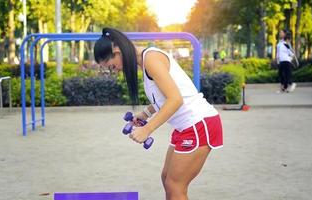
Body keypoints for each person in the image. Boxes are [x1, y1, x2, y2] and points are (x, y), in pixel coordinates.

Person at [94, 27, 223, 200]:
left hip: (199, 124)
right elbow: (165, 96)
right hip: (186, 127)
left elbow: (175, 99)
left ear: (117, 51)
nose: (115, 70)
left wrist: (147, 130)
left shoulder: (151, 59)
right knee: (167, 179)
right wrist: (145, 114)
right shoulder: (145, 61)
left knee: (175, 186)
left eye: (111, 66)